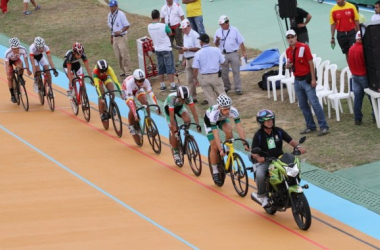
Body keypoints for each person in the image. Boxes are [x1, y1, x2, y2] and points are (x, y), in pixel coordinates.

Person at [250, 109, 306, 207]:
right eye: (267, 120)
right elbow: (253, 151)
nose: (270, 122)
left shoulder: (278, 131)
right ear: (261, 122)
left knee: (293, 167)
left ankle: (291, 186)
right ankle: (262, 196)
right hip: (267, 161)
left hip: (280, 158)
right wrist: (259, 158)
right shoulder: (258, 135)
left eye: (271, 119)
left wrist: (298, 147)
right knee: (260, 174)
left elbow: (290, 140)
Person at [285, 29, 329, 136]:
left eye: (292, 37)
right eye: (289, 38)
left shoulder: (304, 47)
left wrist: (313, 79)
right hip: (297, 80)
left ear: (296, 37)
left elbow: (310, 63)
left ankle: (323, 126)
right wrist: (288, 66)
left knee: (314, 103)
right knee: (303, 105)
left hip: (306, 79)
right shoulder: (288, 51)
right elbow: (290, 64)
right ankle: (310, 126)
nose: (291, 39)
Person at [204, 94, 249, 185]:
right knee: (214, 147)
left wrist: (245, 143)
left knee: (229, 129)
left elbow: (239, 128)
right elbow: (216, 134)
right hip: (210, 122)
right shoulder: (213, 113)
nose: (227, 111)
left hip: (221, 120)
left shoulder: (233, 111)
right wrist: (220, 149)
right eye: (225, 109)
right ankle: (215, 170)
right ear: (219, 107)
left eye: (228, 108)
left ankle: (228, 149)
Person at [164, 86, 200, 164]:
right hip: (169, 110)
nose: (184, 101)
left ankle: (185, 134)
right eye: (182, 99)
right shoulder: (172, 98)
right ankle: (176, 153)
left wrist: (198, 124)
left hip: (179, 107)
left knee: (188, 120)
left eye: (185, 99)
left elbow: (194, 112)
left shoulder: (188, 97)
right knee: (174, 132)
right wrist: (174, 130)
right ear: (178, 95)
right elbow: (171, 118)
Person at [214, 15, 246, 95]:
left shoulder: (235, 30)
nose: (221, 26)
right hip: (223, 54)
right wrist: (217, 40)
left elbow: (240, 41)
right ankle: (226, 87)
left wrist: (244, 52)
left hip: (233, 53)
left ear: (227, 23)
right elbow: (216, 44)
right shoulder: (218, 31)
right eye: (220, 24)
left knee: (236, 71)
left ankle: (238, 88)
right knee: (224, 72)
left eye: (223, 24)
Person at [122, 69, 160, 135]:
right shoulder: (129, 83)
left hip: (137, 89)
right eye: (139, 81)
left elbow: (151, 94)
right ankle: (131, 125)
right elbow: (130, 100)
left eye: (142, 80)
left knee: (145, 103)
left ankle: (149, 125)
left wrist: (157, 107)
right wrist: (135, 115)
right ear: (135, 80)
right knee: (132, 107)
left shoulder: (146, 81)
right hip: (126, 90)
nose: (141, 82)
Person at [348, 31, 374, 125]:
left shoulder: (351, 49)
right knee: (372, 97)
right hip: (364, 76)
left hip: (355, 76)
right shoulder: (364, 49)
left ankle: (357, 118)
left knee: (358, 98)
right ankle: (375, 115)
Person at [148, 9, 177, 92]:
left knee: (160, 67)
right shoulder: (163, 26)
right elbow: (170, 33)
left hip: (157, 49)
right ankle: (172, 85)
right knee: (169, 67)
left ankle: (162, 85)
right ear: (158, 16)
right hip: (166, 48)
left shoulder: (149, 26)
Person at [192, 33, 226, 106]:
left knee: (211, 98)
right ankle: (226, 110)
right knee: (222, 94)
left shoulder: (198, 53)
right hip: (216, 76)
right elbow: (223, 62)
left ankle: (215, 114)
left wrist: (195, 79)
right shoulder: (217, 50)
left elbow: (195, 69)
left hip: (204, 78)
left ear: (201, 42)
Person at [107, 0, 131, 77]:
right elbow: (111, 27)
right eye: (110, 6)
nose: (111, 8)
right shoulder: (109, 16)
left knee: (124, 55)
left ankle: (128, 72)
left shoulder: (121, 14)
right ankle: (123, 70)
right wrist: (111, 37)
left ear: (116, 6)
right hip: (114, 38)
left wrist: (120, 31)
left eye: (113, 6)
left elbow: (127, 25)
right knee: (118, 56)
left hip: (121, 37)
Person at [4, 37, 32, 103]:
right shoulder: (7, 53)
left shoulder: (23, 49)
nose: (16, 50)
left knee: (21, 66)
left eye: (17, 48)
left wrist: (28, 69)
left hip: (16, 60)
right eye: (14, 49)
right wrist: (8, 73)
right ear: (11, 48)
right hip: (9, 62)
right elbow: (7, 65)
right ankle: (12, 95)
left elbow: (26, 60)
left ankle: (20, 76)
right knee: (10, 77)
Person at [180, 19, 201, 103]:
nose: (183, 30)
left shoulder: (195, 35)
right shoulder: (185, 35)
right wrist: (184, 59)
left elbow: (198, 48)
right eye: (182, 29)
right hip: (188, 60)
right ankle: (193, 97)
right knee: (189, 80)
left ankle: (207, 97)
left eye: (184, 28)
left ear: (189, 26)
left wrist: (187, 49)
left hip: (194, 59)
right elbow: (185, 48)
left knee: (199, 79)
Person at [160, 0, 185, 66]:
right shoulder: (163, 8)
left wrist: (183, 27)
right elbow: (162, 20)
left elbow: (182, 17)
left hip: (177, 27)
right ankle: (171, 58)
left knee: (179, 43)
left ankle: (180, 60)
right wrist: (161, 29)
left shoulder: (177, 6)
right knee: (168, 44)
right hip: (168, 28)